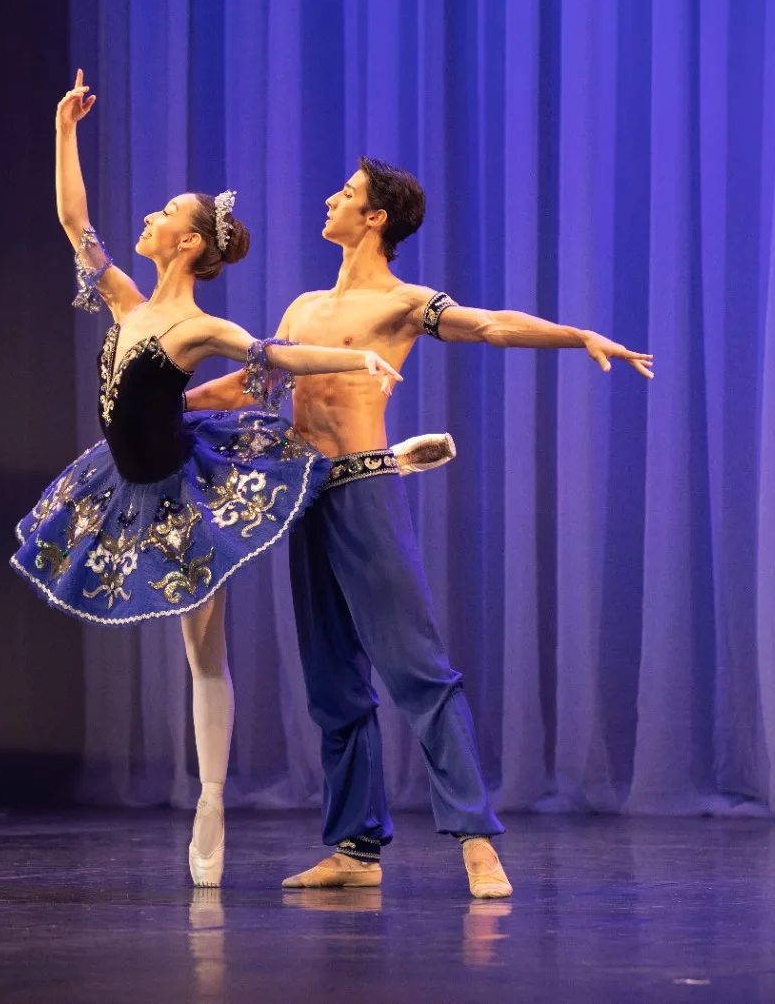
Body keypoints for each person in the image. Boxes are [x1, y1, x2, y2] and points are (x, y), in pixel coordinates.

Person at [186, 157, 654, 899]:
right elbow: (256, 382)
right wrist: (163, 407)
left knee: (417, 669)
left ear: (375, 218)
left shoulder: (404, 302)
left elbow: (493, 325)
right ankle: (354, 849)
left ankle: (477, 842)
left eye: (347, 194)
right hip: (302, 495)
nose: (332, 198)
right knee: (333, 683)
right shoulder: (302, 308)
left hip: (366, 489)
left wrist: (577, 335)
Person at [12, 74, 403, 889]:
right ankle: (212, 798)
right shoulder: (123, 300)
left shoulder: (197, 327)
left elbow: (275, 355)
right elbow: (73, 221)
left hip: (186, 495)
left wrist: (353, 355)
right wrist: (63, 131)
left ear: (188, 244)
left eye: (164, 215)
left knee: (202, 657)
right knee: (197, 655)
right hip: (122, 485)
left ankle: (212, 800)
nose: (148, 219)